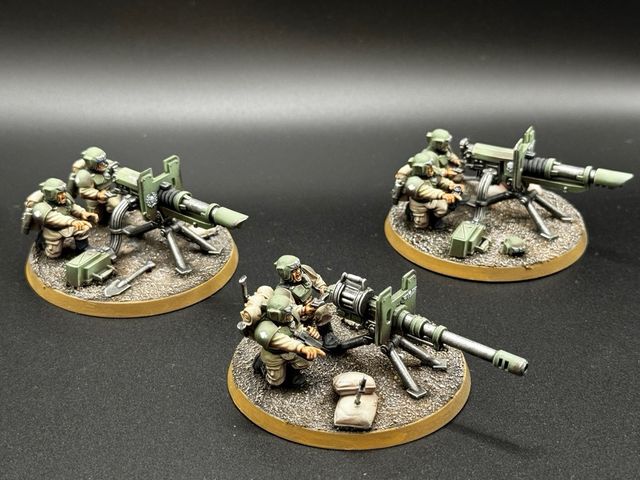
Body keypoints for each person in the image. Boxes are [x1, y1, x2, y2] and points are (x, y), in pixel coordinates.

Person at [249, 292, 326, 387]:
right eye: (287, 313)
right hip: (274, 355)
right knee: (275, 381)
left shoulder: (287, 315)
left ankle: (290, 372)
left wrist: (305, 312)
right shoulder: (264, 329)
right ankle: (262, 364)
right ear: (277, 315)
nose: (291, 315)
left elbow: (295, 319)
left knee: (305, 362)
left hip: (291, 350)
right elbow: (283, 341)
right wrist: (301, 348)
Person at [273, 255, 339, 351]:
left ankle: (327, 334)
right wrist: (303, 310)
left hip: (312, 305)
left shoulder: (305, 271)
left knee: (322, 310)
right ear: (285, 274)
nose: (298, 272)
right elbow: (287, 309)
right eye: (294, 271)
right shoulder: (282, 291)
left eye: (298, 268)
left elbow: (316, 279)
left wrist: (322, 287)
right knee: (303, 336)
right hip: (298, 319)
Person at [25, 178, 98, 258]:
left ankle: (82, 248)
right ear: (51, 194)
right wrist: (72, 222)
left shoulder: (64, 199)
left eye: (64, 192)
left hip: (67, 226)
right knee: (54, 254)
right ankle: (42, 243)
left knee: (82, 228)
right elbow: (54, 218)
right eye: (59, 193)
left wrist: (82, 213)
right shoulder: (41, 207)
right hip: (53, 231)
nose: (64, 195)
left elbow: (72, 207)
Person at [396, 156, 463, 230]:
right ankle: (410, 212)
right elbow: (426, 191)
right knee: (421, 225)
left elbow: (440, 181)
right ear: (420, 169)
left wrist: (451, 185)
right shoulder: (412, 181)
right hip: (419, 204)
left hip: (432, 200)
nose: (431, 169)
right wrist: (442, 195)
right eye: (428, 167)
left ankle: (433, 220)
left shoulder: (431, 175)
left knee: (443, 209)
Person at [71, 146, 121, 222]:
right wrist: (98, 194)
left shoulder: (109, 164)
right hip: (94, 199)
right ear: (92, 164)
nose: (104, 164)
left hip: (109, 191)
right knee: (97, 219)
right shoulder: (85, 175)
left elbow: (119, 171)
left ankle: (113, 214)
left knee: (116, 205)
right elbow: (84, 191)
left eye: (104, 161)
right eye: (100, 163)